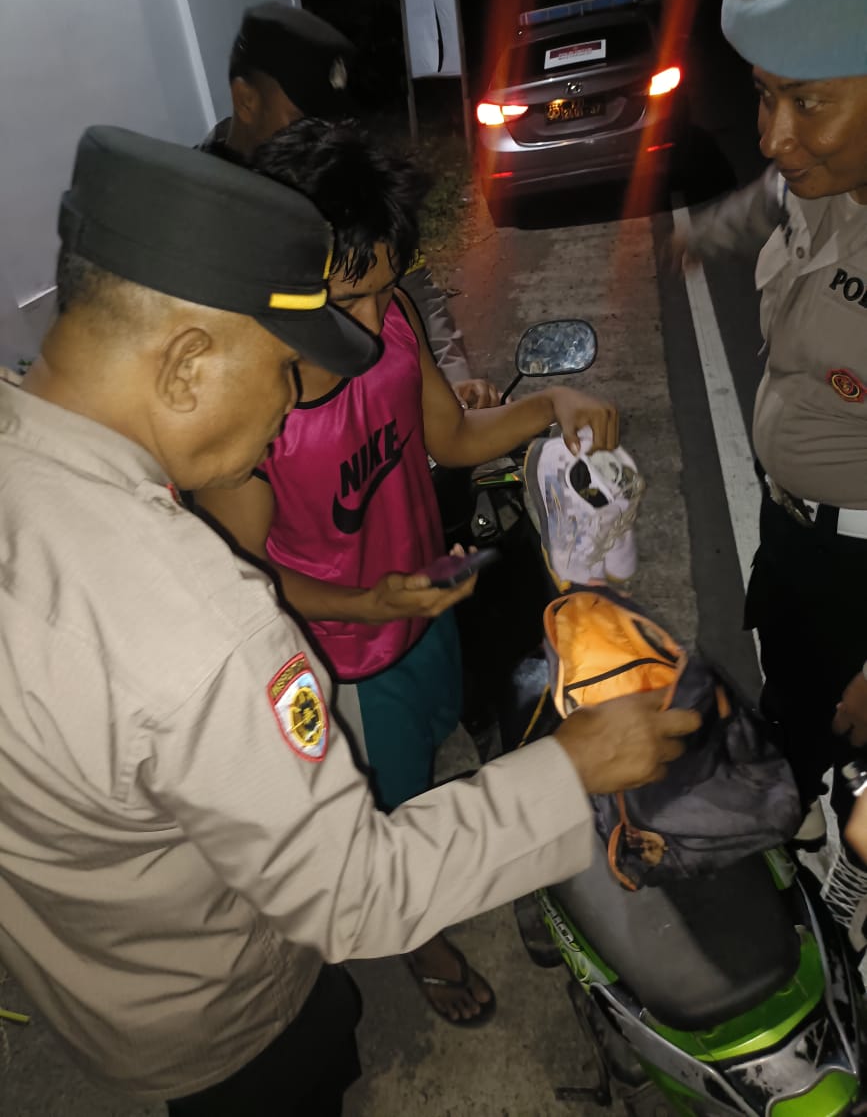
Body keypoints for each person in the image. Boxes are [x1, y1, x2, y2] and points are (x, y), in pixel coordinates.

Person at [0, 125, 699, 1114]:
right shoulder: (202, 624)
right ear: (188, 363)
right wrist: (573, 767)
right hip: (226, 1021)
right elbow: (354, 891)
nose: (289, 401)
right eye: (283, 367)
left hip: (102, 984)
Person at [193, 116, 619, 1026]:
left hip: (427, 609)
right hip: (343, 658)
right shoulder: (251, 410)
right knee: (385, 820)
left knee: (434, 757)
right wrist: (364, 601)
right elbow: (242, 582)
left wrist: (550, 401)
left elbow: (450, 435)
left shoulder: (389, 321)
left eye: (384, 288)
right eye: (346, 298)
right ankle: (419, 940)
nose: (371, 321)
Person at [673, 0, 867, 927]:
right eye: (762, 94)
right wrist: (702, 231)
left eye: (808, 101)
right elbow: (767, 202)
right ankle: (797, 821)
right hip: (793, 539)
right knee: (790, 708)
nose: (772, 135)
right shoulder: (821, 177)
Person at [199, 0, 497, 407]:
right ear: (247, 100)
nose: (322, 136)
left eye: (331, 121)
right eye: (302, 119)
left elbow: (415, 289)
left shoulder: (342, 178)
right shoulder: (197, 210)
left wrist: (452, 382)